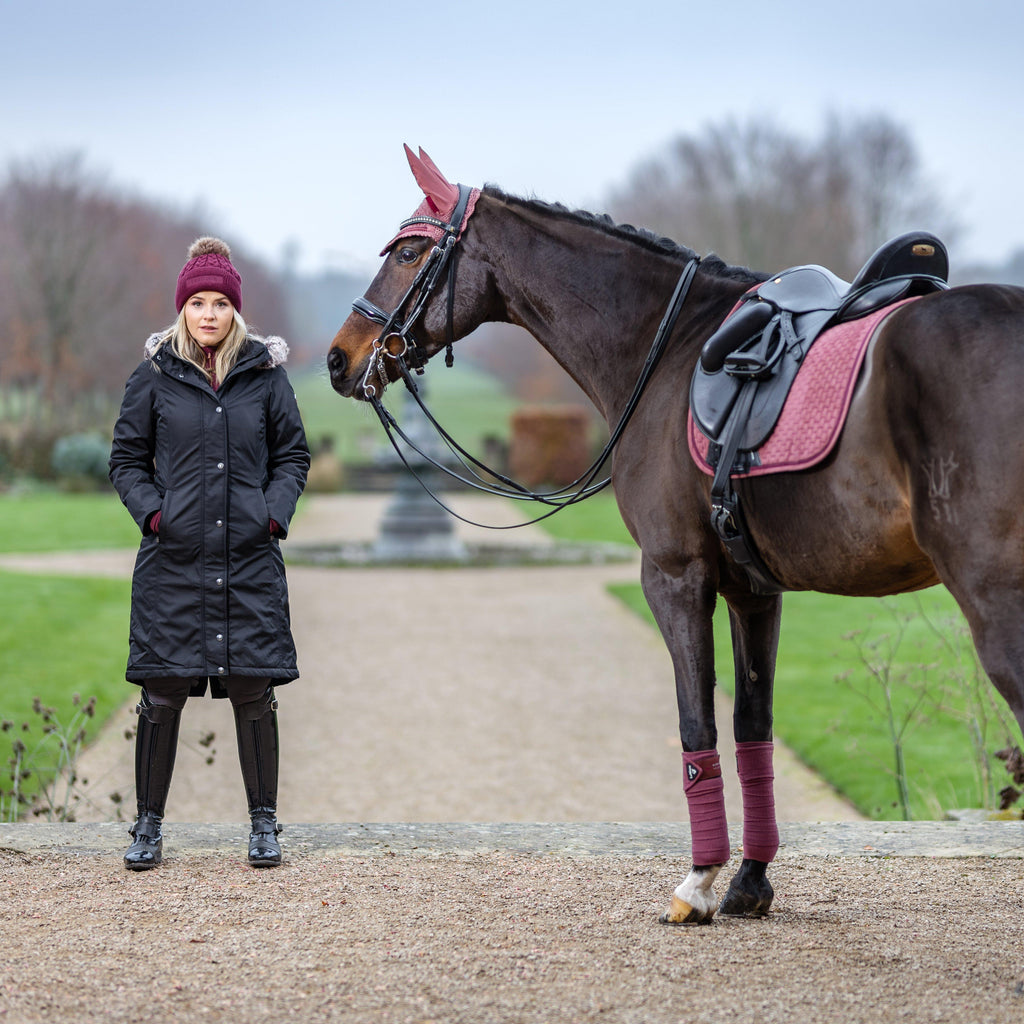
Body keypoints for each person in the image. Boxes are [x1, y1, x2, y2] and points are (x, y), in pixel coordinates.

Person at [109, 237, 310, 871]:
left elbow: (292, 457)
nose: (209, 314)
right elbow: (125, 461)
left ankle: (264, 825)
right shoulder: (153, 377)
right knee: (161, 693)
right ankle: (147, 826)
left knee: (254, 690)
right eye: (197, 302)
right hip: (174, 562)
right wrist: (156, 513)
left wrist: (272, 514)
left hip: (248, 559)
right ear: (182, 310)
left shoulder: (266, 378)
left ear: (235, 311)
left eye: (220, 302)